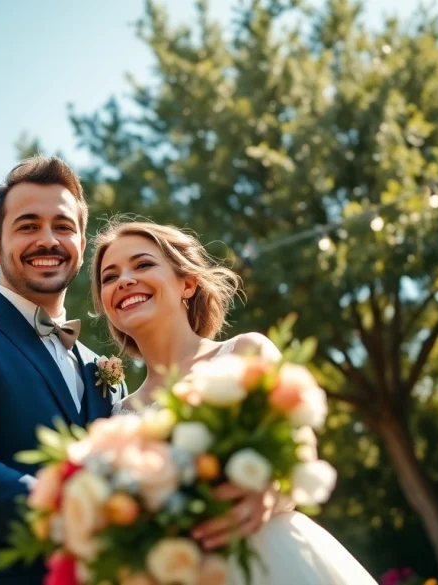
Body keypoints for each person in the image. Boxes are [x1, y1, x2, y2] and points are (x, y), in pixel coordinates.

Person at [0, 157, 280, 585]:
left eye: (62, 227)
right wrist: (99, 512)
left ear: (80, 244)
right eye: (28, 226)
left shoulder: (105, 373)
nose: (48, 240)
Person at [91, 218, 380, 585]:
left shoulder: (245, 352)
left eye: (143, 264)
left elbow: (302, 448)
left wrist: (270, 493)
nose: (124, 281)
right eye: (109, 277)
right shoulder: (119, 417)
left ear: (188, 283)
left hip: (272, 558)